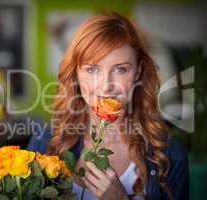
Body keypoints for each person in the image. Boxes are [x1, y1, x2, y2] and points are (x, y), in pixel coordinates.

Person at [27, 12, 188, 200]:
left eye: (121, 69)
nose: (107, 85)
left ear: (138, 72)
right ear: (76, 74)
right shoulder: (45, 142)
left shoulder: (170, 154)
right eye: (92, 69)